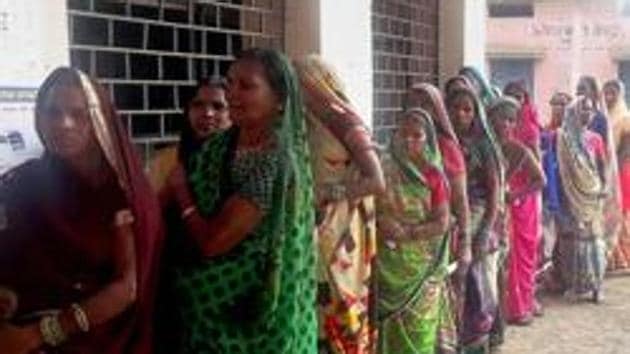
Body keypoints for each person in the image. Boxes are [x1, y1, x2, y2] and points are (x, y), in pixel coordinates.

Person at [162, 48, 317, 353]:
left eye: (246, 86)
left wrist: (182, 194)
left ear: (280, 99)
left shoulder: (277, 164)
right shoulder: (217, 147)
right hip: (203, 316)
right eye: (231, 83)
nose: (233, 94)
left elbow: (213, 242)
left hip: (256, 315)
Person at [0, 67, 163, 353]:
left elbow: (127, 287)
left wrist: (41, 334)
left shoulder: (123, 193)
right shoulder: (24, 184)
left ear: (100, 121)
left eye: (79, 114)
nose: (63, 124)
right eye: (53, 112)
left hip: (102, 334)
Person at [294, 55, 385, 354]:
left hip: (341, 233)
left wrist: (331, 193)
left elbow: (376, 180)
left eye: (300, 81)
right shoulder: (300, 118)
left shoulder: (344, 121)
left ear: (317, 83)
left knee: (342, 306)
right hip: (311, 226)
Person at [375, 108, 452, 354]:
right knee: (387, 328)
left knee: (419, 330)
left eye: (417, 136)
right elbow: (369, 206)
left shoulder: (433, 174)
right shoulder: (383, 167)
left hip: (422, 264)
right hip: (388, 264)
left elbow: (442, 222)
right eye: (403, 134)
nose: (410, 141)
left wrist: (407, 233)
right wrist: (381, 223)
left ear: (427, 139)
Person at [408, 83, 470, 349]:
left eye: (426, 104)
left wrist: (466, 244)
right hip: (401, 249)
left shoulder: (447, 149)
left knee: (435, 305)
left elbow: (460, 200)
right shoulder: (401, 142)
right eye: (413, 103)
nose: (419, 110)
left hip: (436, 238)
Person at [446, 87, 504, 354]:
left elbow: (494, 192)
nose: (460, 114)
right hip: (450, 217)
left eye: (467, 109)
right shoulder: (442, 142)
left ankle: (478, 341)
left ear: (476, 112)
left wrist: (483, 233)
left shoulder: (484, 144)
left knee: (478, 285)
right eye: (455, 108)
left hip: (479, 216)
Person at [487, 97, 546, 326]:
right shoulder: (484, 146)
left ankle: (517, 308)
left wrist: (514, 195)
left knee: (511, 261)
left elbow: (540, 180)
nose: (508, 125)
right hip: (489, 211)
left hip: (512, 214)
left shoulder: (518, 149)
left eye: (512, 120)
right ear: (491, 119)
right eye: (503, 119)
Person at [556, 96, 608, 303]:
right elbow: (561, 172)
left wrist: (603, 188)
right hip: (571, 195)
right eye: (583, 109)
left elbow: (602, 166)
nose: (588, 114)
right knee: (574, 242)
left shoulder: (596, 138)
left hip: (593, 195)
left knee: (595, 242)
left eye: (591, 110)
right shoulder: (563, 138)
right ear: (575, 112)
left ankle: (597, 286)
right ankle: (574, 285)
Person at [148, 77, 229, 193]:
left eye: (218, 106)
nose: (207, 113)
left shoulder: (247, 165)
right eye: (198, 104)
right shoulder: (165, 162)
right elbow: (148, 207)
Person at [576, 76, 622, 264]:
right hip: (575, 181)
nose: (579, 94)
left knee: (595, 231)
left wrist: (602, 183)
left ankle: (596, 275)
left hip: (594, 180)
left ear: (593, 94)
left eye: (583, 90)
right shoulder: (572, 117)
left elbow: (604, 155)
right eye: (578, 90)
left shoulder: (600, 120)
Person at [541, 92, 571, 291]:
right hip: (550, 191)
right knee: (549, 237)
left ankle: (565, 276)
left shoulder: (572, 134)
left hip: (569, 193)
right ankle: (550, 278)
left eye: (562, 104)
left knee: (566, 237)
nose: (557, 108)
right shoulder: (546, 130)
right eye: (554, 104)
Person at [603, 80, 630, 270]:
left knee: (620, 213)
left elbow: (626, 150)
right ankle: (611, 258)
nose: (608, 97)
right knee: (608, 214)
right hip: (606, 170)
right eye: (606, 93)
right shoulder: (603, 117)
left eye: (613, 93)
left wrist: (614, 173)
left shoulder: (625, 118)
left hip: (622, 170)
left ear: (620, 95)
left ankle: (623, 258)